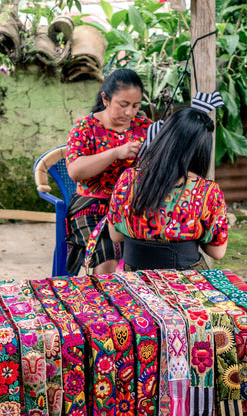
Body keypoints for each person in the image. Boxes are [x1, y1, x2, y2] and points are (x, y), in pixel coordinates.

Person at [107, 105, 228, 271]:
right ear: (202, 150)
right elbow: (217, 251)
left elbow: (116, 235)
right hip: (185, 285)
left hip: (133, 278)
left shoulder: (128, 179)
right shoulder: (207, 192)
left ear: (164, 137)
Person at [65, 68, 152, 275]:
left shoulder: (145, 127)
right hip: (93, 206)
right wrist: (116, 153)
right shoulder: (86, 127)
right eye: (123, 105)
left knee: (155, 245)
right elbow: (75, 171)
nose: (130, 112)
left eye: (136, 106)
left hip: (133, 205)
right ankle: (106, 303)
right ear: (105, 98)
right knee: (108, 257)